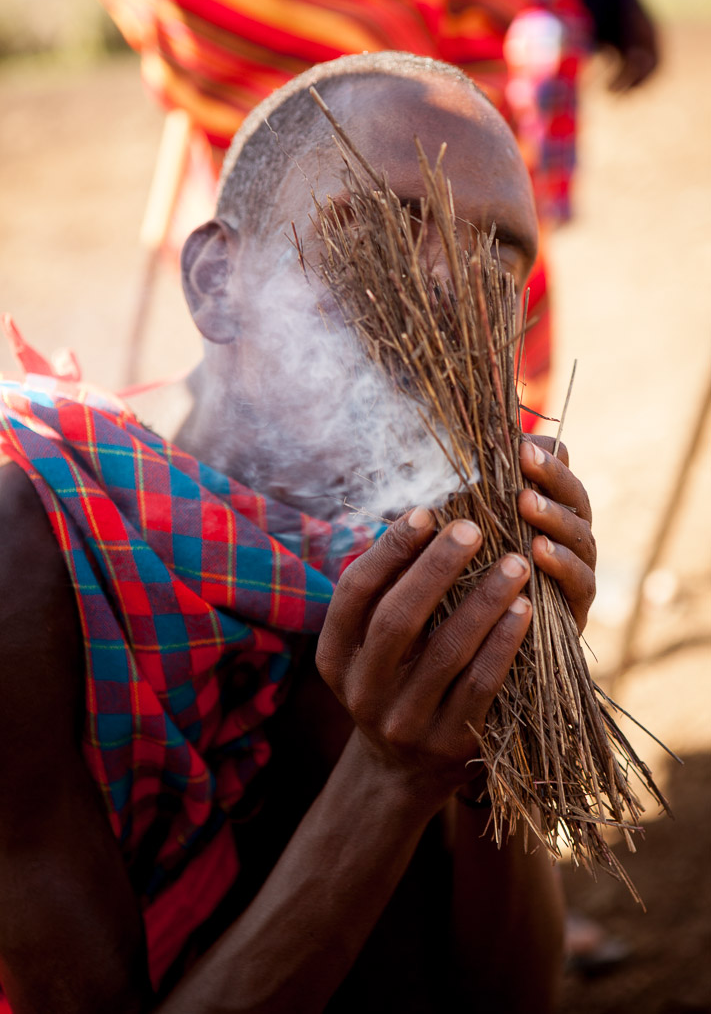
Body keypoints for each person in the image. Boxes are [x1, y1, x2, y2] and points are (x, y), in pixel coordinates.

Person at [0, 51, 597, 1013]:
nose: (452, 293)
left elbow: (503, 994)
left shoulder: (400, 583)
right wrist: (390, 777)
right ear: (216, 282)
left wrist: (509, 699)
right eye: (393, 226)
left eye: (499, 269)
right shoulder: (29, 552)